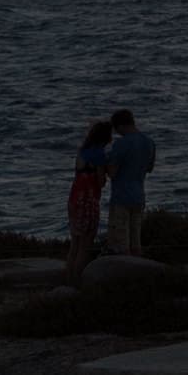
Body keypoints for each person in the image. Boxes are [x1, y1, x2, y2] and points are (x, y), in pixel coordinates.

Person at [103, 108, 156, 257]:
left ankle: (124, 275)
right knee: (136, 244)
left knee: (121, 245)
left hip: (121, 198)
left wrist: (105, 162)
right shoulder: (149, 142)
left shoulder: (121, 144)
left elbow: (112, 174)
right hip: (139, 196)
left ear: (120, 126)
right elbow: (149, 168)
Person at [66, 118, 113, 283]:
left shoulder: (82, 151)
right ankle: (77, 282)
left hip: (74, 199)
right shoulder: (99, 154)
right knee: (85, 247)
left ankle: (68, 279)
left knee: (74, 245)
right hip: (88, 201)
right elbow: (101, 182)